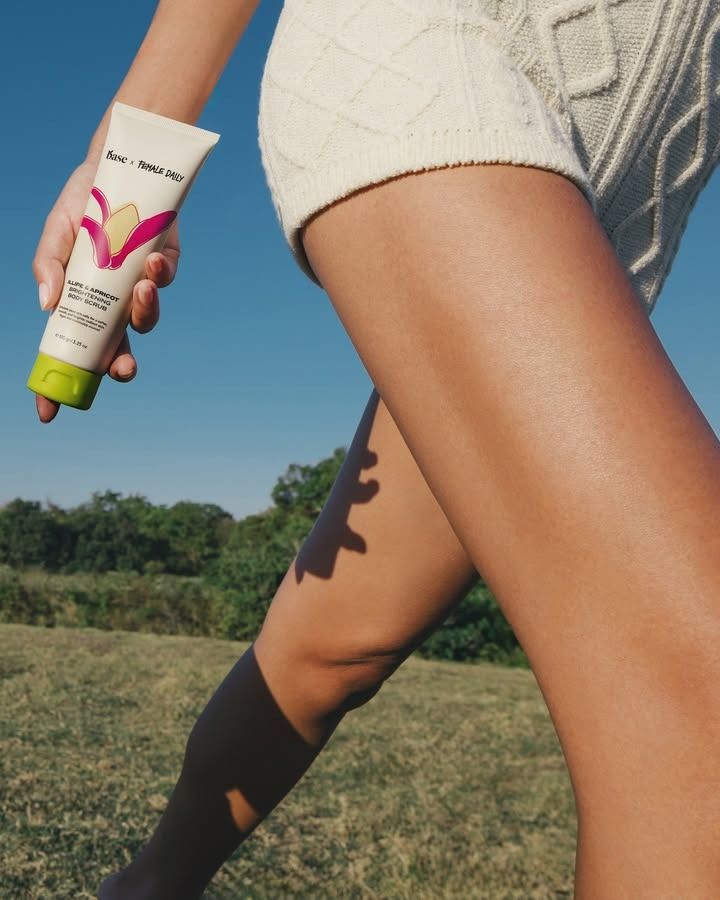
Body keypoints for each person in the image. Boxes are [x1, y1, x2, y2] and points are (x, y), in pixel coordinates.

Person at [31, 1, 720, 897]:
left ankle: (144, 890)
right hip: (437, 64)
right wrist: (121, 162)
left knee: (331, 648)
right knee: (696, 714)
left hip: (614, 201)